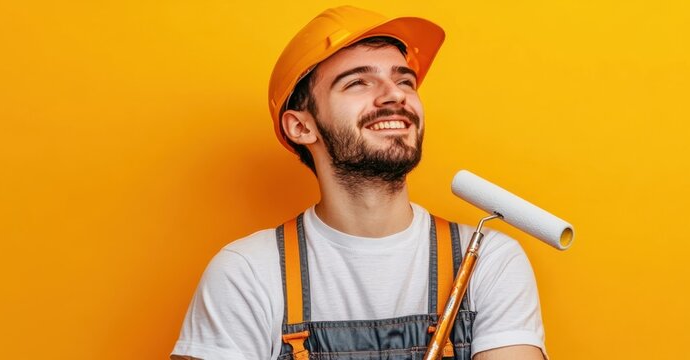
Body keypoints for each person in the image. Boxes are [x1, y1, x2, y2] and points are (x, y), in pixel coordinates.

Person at [172, 6, 547, 360]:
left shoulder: (490, 261)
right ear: (301, 126)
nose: (395, 94)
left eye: (405, 80)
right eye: (358, 82)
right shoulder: (248, 273)